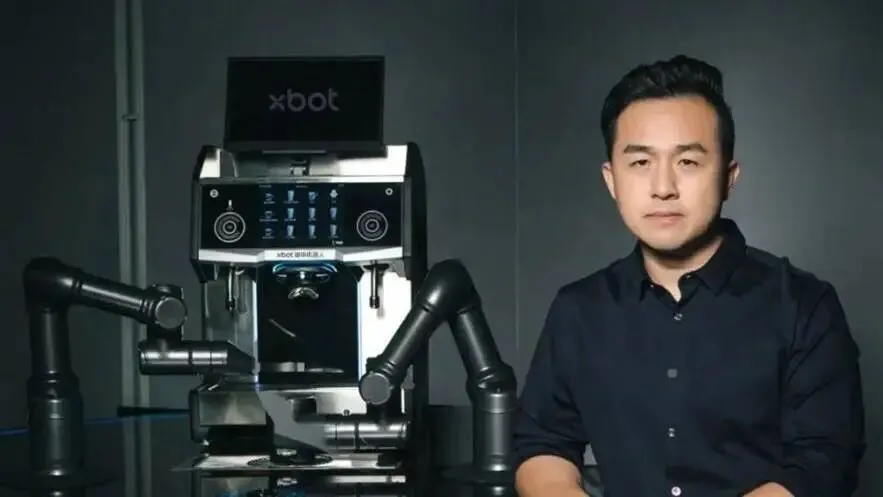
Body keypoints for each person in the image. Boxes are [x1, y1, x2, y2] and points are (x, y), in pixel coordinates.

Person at [512, 55, 865, 497]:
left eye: (688, 162)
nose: (663, 187)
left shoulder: (803, 305)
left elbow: (823, 463)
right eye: (640, 163)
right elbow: (541, 444)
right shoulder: (578, 310)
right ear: (611, 179)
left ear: (729, 176)